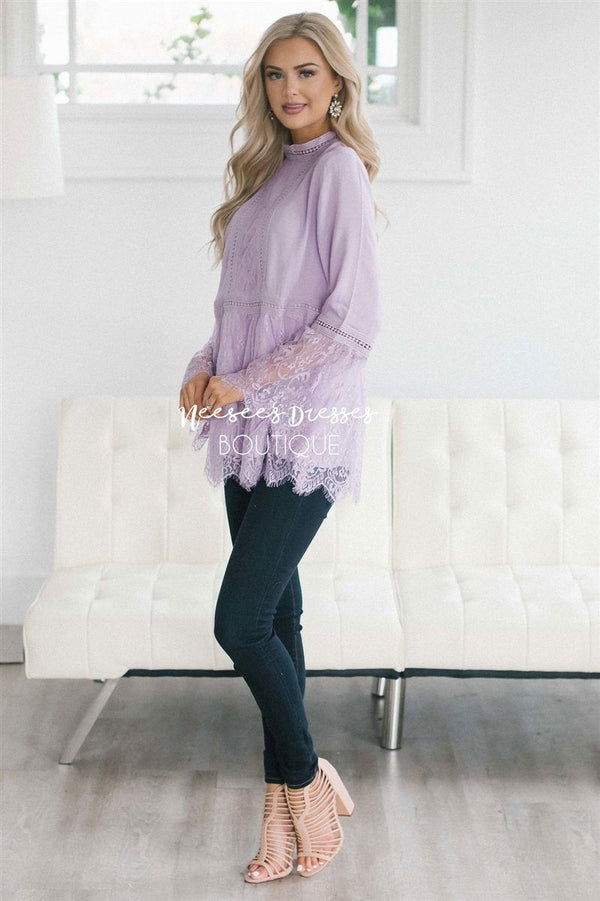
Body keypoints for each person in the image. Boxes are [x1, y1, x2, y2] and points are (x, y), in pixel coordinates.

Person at [179, 11, 384, 884]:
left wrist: (246, 380)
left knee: (240, 622)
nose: (290, 89)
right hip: (248, 427)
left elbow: (351, 322)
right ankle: (281, 817)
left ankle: (305, 776)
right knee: (279, 623)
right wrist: (204, 366)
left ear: (336, 82)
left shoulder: (337, 170)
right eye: (275, 74)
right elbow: (240, 310)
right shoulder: (264, 176)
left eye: (306, 72)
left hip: (307, 427)